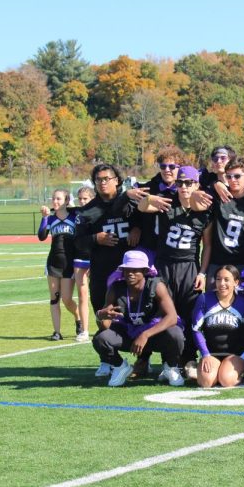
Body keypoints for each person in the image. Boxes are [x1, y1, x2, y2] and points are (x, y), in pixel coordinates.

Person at [137, 166, 212, 374]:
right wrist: (150, 199)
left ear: (197, 184)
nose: (184, 187)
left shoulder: (205, 209)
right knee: (160, 313)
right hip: (164, 266)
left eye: (189, 183)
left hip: (189, 267)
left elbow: (208, 246)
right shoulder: (167, 202)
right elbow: (142, 207)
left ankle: (188, 358)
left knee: (189, 315)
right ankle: (162, 360)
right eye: (180, 183)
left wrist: (203, 273)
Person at [92, 250, 185, 387]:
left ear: (145, 271)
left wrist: (145, 335)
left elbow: (172, 317)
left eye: (135, 270)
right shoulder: (116, 288)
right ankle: (120, 367)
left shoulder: (156, 286)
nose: (130, 273)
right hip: (129, 334)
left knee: (176, 334)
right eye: (127, 269)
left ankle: (170, 366)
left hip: (153, 334)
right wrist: (100, 315)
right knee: (100, 338)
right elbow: (105, 326)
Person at [74, 164, 142, 311]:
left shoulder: (132, 203)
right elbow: (78, 243)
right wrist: (95, 238)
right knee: (103, 314)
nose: (102, 183)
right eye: (98, 180)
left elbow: (150, 225)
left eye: (106, 179)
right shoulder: (86, 211)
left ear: (116, 180)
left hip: (130, 272)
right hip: (102, 271)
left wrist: (138, 228)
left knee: (135, 316)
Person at [191, 265, 244, 388]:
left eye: (226, 280)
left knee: (226, 381)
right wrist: (205, 354)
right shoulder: (205, 299)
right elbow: (196, 329)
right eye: (218, 279)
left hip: (235, 353)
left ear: (236, 282)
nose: (222, 283)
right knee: (206, 382)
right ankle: (212, 371)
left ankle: (234, 372)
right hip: (212, 353)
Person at [206, 157, 244, 280]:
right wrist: (215, 183)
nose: (232, 180)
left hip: (243, 264)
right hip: (218, 262)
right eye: (229, 176)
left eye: (237, 176)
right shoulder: (219, 195)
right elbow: (199, 183)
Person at [38, 188, 81, 341]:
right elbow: (41, 236)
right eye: (53, 199)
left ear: (67, 201)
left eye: (59, 199)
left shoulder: (75, 216)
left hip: (69, 263)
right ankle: (57, 331)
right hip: (53, 263)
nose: (55, 202)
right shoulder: (50, 219)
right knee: (54, 298)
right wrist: (44, 218)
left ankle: (78, 317)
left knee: (67, 299)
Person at [72, 186, 96, 341]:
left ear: (92, 198)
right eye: (80, 198)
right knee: (82, 295)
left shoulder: (98, 212)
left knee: (101, 293)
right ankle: (84, 330)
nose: (82, 201)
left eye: (85, 198)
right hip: (80, 258)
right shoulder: (76, 213)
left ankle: (107, 326)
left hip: (96, 257)